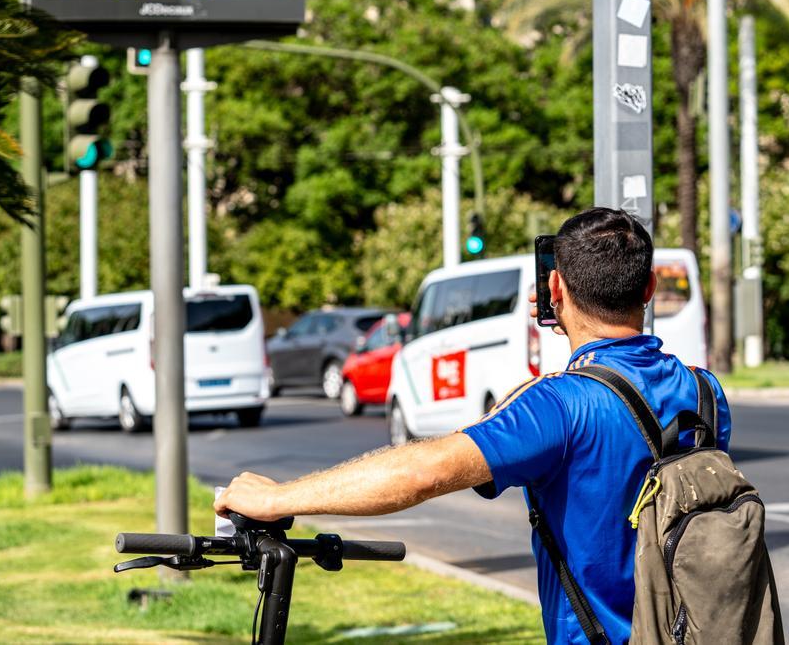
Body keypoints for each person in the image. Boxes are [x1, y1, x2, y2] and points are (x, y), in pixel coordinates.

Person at [215, 207, 731, 644]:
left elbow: (424, 471)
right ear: (649, 287)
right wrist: (577, 325)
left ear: (554, 286)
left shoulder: (556, 406)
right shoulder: (707, 393)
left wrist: (280, 498)